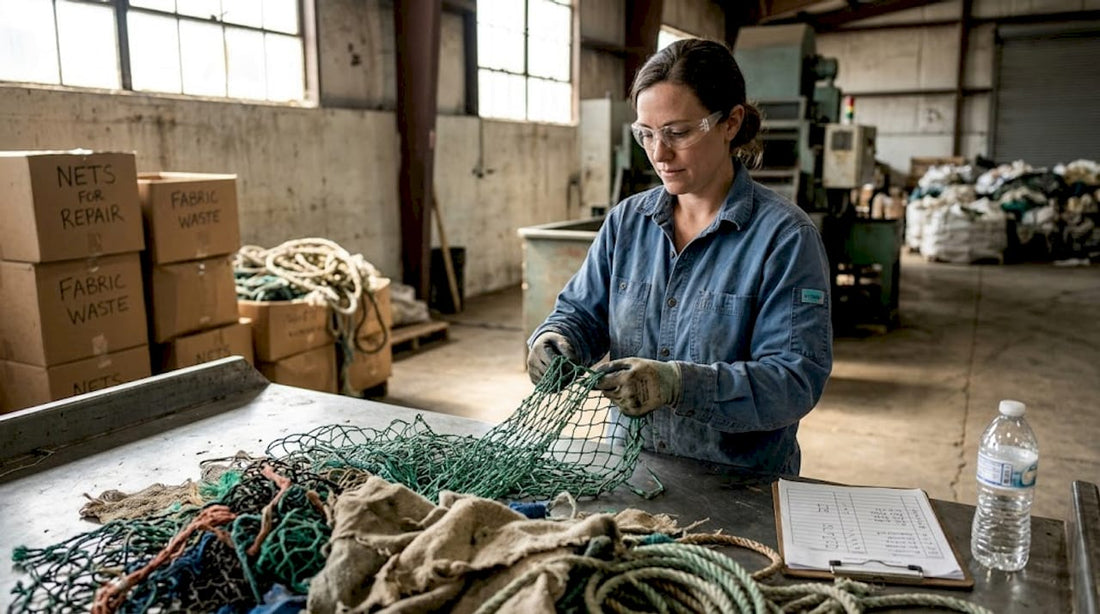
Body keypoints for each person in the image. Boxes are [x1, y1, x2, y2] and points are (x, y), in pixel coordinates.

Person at [526, 38, 832, 476]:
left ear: (730, 123)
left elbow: (793, 381)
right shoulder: (627, 223)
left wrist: (680, 385)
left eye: (678, 133)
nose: (658, 154)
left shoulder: (785, 239)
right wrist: (556, 340)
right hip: (629, 470)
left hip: (741, 486)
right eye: (646, 134)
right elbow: (581, 313)